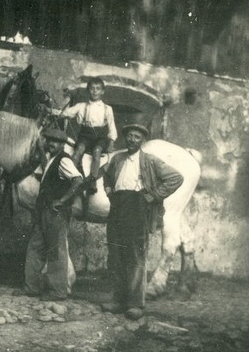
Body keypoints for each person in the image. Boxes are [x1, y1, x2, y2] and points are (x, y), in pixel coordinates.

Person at [100, 123, 184, 316]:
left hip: (137, 207)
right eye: (129, 136)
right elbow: (105, 176)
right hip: (118, 206)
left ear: (142, 141)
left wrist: (153, 196)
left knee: (135, 256)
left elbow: (175, 178)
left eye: (137, 137)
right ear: (125, 138)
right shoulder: (117, 158)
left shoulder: (150, 161)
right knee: (116, 255)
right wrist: (108, 190)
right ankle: (117, 301)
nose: (132, 140)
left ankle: (135, 304)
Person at [22, 126, 85, 301]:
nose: (51, 144)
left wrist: (63, 200)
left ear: (63, 144)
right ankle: (31, 287)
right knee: (35, 247)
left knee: (55, 251)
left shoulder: (64, 160)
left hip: (56, 212)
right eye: (49, 140)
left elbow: (78, 180)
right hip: (44, 210)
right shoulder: (51, 159)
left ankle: (58, 291)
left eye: (56, 141)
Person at [57, 77, 117, 194]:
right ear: (88, 90)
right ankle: (70, 176)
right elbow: (64, 113)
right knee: (78, 150)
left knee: (97, 151)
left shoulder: (107, 109)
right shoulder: (81, 106)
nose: (95, 91)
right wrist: (61, 114)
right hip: (85, 136)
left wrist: (111, 142)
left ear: (102, 91)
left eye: (98, 89)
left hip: (100, 138)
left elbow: (112, 127)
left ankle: (92, 180)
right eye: (92, 89)